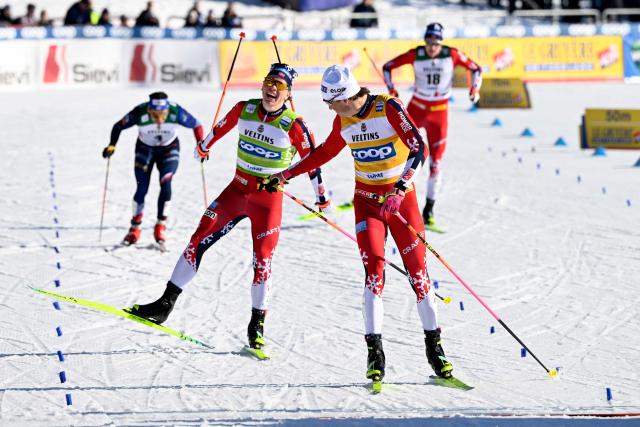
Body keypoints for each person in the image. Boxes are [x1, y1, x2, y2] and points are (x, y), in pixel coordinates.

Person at [262, 65, 454, 383]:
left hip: (400, 201)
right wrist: (285, 174)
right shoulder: (343, 120)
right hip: (367, 204)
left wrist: (402, 186)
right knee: (374, 273)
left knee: (418, 273)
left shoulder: (387, 107)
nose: (330, 109)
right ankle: (374, 353)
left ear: (346, 96)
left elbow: (419, 149)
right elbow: (323, 152)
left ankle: (435, 349)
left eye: (332, 102)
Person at [125, 64, 332, 355]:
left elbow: (313, 162)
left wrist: (321, 197)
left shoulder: (294, 124)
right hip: (236, 190)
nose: (272, 89)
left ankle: (256, 325)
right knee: (197, 240)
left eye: (280, 86)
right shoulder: (244, 109)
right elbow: (221, 127)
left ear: (288, 94)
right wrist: (204, 146)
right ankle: (164, 305)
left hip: (267, 201)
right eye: (269, 82)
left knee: (262, 260)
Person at [382, 22, 482, 230]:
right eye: (429, 41)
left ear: (441, 41)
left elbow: (475, 68)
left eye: (436, 41)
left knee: (435, 162)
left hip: (439, 113)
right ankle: (382, 193)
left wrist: (474, 88)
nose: (432, 46)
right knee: (397, 150)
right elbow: (388, 67)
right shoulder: (416, 54)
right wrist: (391, 89)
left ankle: (429, 210)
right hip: (417, 108)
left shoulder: (451, 54)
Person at [101, 92, 204, 246]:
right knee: (142, 187)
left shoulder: (176, 112)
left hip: (169, 149)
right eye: (154, 114)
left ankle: (160, 225)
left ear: (167, 110)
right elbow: (118, 126)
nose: (159, 118)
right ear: (149, 110)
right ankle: (134, 228)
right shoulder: (139, 111)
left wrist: (201, 145)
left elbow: (197, 124)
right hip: (145, 149)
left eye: (162, 113)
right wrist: (112, 144)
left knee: (166, 182)